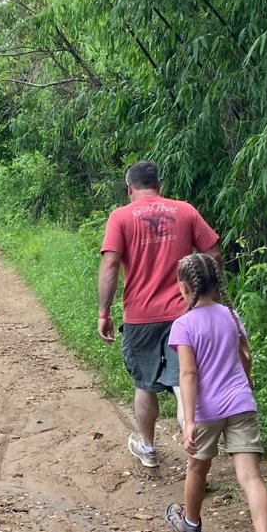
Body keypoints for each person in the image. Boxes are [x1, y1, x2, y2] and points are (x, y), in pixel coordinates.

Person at [164, 252, 267, 532]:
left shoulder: (184, 325)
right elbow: (245, 356)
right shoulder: (231, 315)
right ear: (216, 284)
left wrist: (189, 421)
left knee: (197, 468)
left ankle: (190, 527)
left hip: (206, 410)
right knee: (251, 477)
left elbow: (188, 374)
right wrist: (244, 384)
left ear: (184, 287)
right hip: (240, 404)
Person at [97, 161, 220, 468]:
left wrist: (103, 312)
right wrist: (198, 294)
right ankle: (195, 459)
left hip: (140, 315)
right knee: (183, 385)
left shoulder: (121, 217)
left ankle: (148, 448)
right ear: (159, 184)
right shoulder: (185, 211)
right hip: (185, 314)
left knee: (144, 384)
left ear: (129, 188)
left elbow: (110, 264)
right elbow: (213, 253)